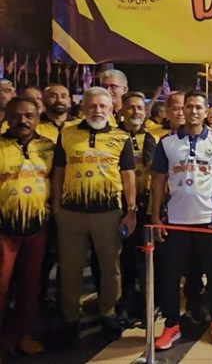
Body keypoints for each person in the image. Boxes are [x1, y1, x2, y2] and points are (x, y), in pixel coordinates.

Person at [51, 86, 136, 344]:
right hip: (71, 212)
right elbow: (59, 171)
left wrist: (131, 210)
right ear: (82, 108)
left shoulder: (121, 138)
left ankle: (108, 313)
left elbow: (128, 176)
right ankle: (70, 317)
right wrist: (56, 206)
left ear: (111, 109)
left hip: (108, 213)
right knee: (70, 268)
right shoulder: (67, 133)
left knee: (110, 267)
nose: (97, 110)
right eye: (92, 106)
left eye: (102, 106)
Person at [151, 90, 212, 350]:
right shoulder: (166, 143)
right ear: (182, 110)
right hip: (175, 219)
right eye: (189, 107)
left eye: (198, 107)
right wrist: (156, 216)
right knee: (171, 275)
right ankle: (171, 325)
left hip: (209, 219)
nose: (193, 111)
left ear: (206, 111)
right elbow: (158, 180)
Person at [0, 97, 55, 355]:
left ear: (37, 117)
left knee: (30, 287)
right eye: (17, 116)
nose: (23, 121)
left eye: (29, 115)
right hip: (4, 230)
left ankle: (22, 335)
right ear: (7, 118)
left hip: (37, 229)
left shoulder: (49, 147)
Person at [117, 92, 156, 323]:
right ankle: (121, 303)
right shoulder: (113, 136)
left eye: (140, 108)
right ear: (122, 110)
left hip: (143, 205)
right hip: (117, 205)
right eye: (131, 107)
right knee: (120, 259)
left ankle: (143, 304)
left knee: (142, 256)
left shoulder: (149, 137)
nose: (135, 112)